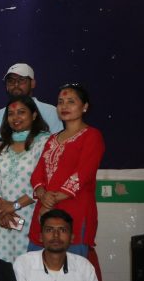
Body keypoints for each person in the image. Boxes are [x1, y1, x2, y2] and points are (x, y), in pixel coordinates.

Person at [28, 83, 105, 259]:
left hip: (74, 207)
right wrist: (42, 194)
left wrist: (51, 200)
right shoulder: (52, 139)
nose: (64, 106)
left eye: (71, 101)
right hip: (45, 208)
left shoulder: (92, 135)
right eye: (60, 102)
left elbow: (83, 174)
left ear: (84, 106)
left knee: (72, 266)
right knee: (36, 264)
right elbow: (38, 173)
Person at [0, 96, 50, 263]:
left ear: (34, 115)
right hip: (4, 220)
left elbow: (45, 180)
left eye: (21, 112)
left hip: (31, 216)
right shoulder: (1, 145)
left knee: (29, 266)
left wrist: (14, 206)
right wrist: (1, 206)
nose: (15, 117)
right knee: (4, 267)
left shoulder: (45, 142)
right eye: (11, 114)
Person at [0, 63, 62, 138]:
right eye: (11, 81)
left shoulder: (50, 112)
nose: (16, 84)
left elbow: (58, 143)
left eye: (21, 80)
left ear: (32, 83)